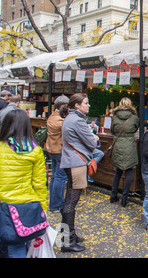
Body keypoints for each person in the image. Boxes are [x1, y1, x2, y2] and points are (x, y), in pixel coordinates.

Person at [0, 110, 47, 258]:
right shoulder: (35, 151)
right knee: (17, 248)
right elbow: (40, 183)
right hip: (22, 208)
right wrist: (42, 208)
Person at [59, 93, 98, 252]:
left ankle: (69, 235)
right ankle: (67, 241)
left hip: (71, 161)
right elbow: (92, 143)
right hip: (77, 162)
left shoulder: (70, 118)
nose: (88, 105)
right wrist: (94, 137)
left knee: (69, 199)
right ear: (77, 105)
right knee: (71, 202)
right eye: (86, 103)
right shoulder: (78, 120)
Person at [110, 97, 140, 207]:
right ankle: (124, 197)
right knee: (128, 171)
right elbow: (136, 128)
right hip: (129, 144)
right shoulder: (134, 117)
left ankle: (113, 195)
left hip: (118, 144)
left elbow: (112, 130)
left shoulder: (114, 116)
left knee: (118, 171)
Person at [45, 95, 69, 212]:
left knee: (54, 176)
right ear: (63, 106)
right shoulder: (61, 120)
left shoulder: (51, 116)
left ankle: (53, 203)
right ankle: (57, 205)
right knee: (60, 177)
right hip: (59, 150)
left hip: (51, 149)